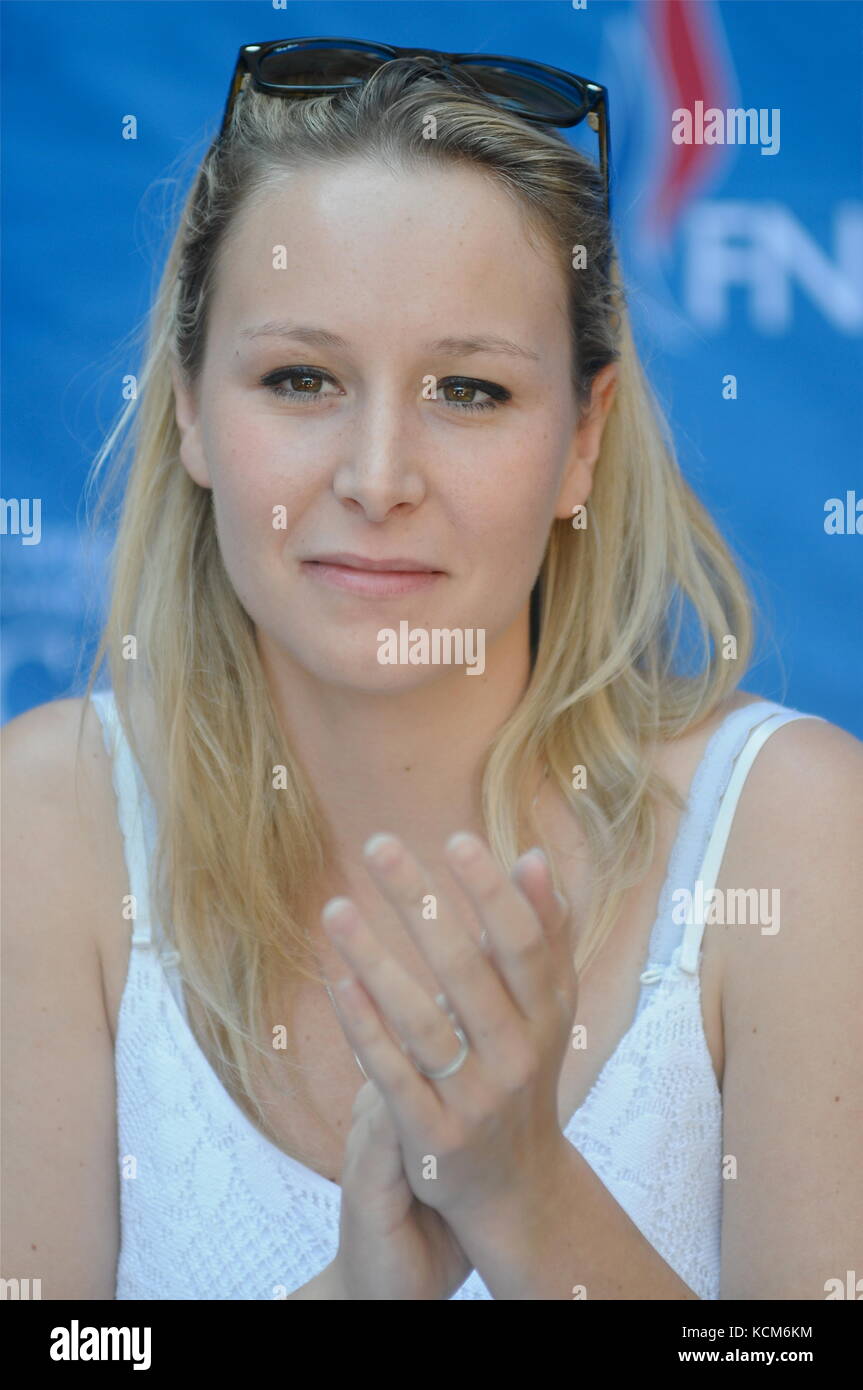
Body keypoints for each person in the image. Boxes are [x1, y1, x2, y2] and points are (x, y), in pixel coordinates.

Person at [3, 48, 861, 1302]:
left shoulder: (792, 833)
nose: (378, 474)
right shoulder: (46, 823)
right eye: (300, 378)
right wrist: (355, 1293)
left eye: (468, 390)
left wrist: (529, 1203)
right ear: (188, 407)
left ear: (582, 439)